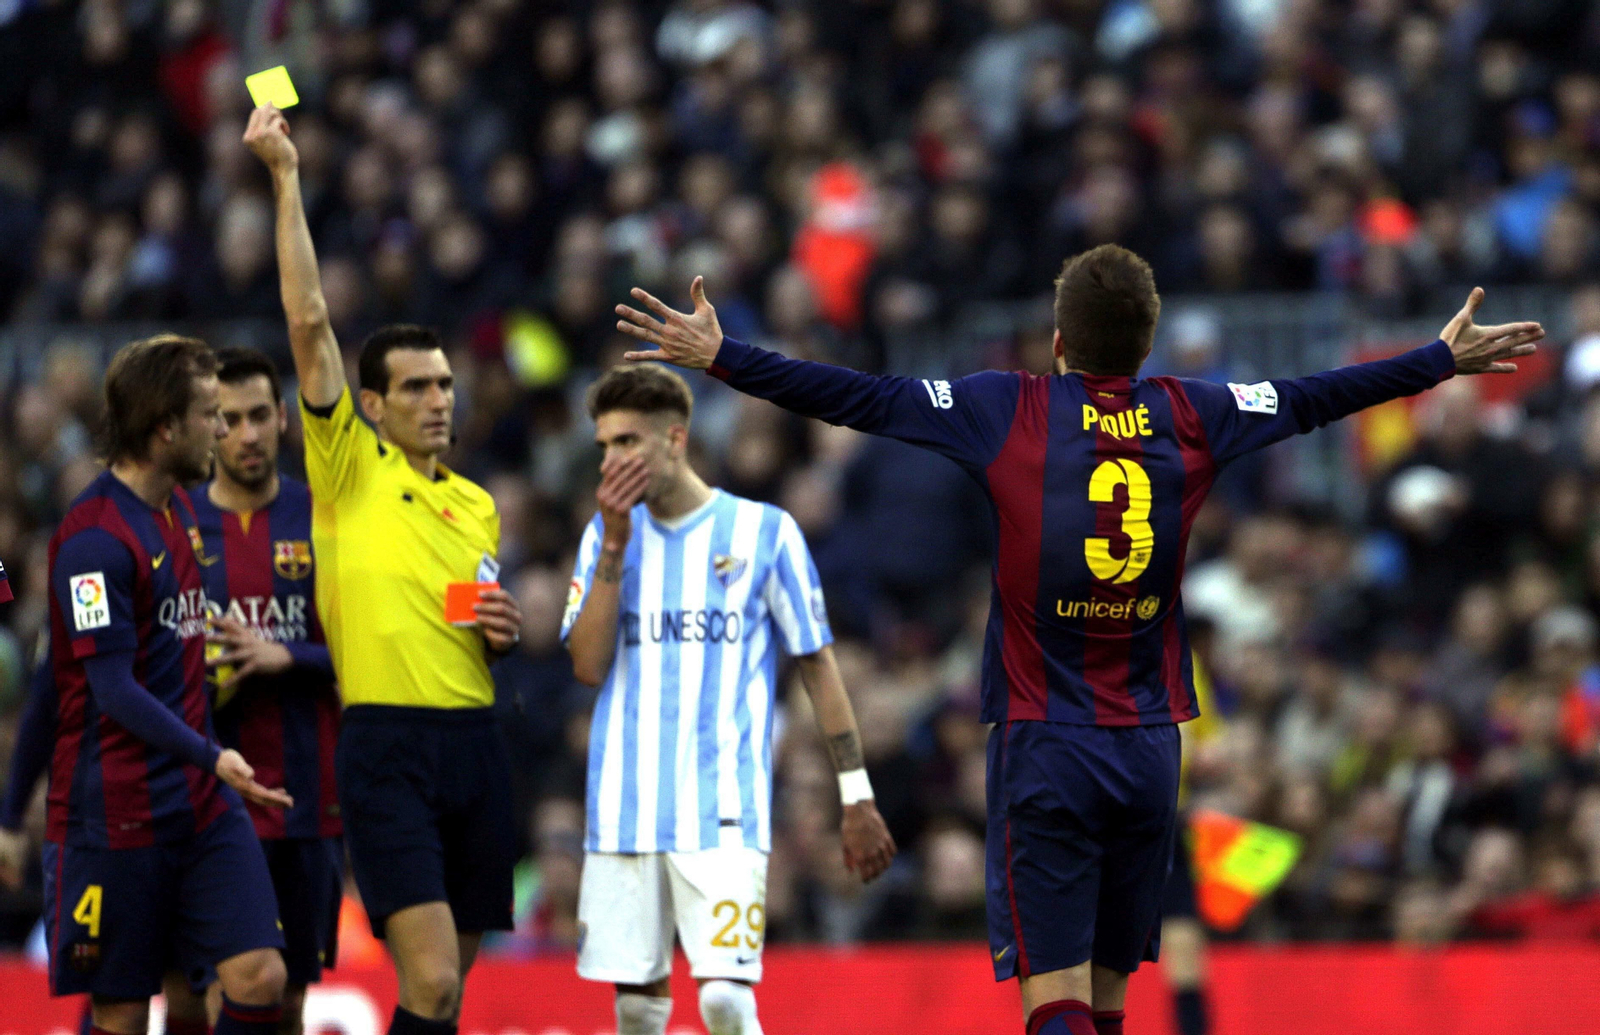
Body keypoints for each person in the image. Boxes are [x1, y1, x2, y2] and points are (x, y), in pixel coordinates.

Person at [612, 246, 1543, 1035]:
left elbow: (861, 396)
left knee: (1052, 1001)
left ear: (1057, 341)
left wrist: (726, 356)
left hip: (1045, 741)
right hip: (1148, 749)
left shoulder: (1005, 409)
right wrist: (1432, 361)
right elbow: (1311, 397)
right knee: (1104, 1005)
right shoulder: (1192, 413)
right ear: (1146, 342)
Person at [243, 104, 523, 1035]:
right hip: (386, 747)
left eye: (445, 383)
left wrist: (502, 629)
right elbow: (310, 320)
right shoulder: (350, 471)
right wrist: (286, 178)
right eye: (416, 386)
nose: (438, 399)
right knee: (434, 980)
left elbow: (459, 610)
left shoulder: (478, 503)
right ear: (372, 402)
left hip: (477, 742)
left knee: (447, 992)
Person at [563, 364, 896, 1035]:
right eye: (603, 446)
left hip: (724, 808)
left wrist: (855, 792)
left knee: (724, 998)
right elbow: (587, 666)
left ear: (675, 438)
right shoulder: (604, 536)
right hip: (624, 806)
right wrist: (615, 548)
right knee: (636, 1008)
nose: (612, 460)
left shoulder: (763, 533)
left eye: (627, 441)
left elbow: (819, 663)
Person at [43, 334, 294, 1035]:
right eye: (211, 413)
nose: (221, 428)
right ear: (165, 427)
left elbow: (167, 628)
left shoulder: (178, 510)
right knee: (122, 1012)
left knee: (261, 975)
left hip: (200, 806)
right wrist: (214, 755)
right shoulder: (91, 543)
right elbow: (111, 688)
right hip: (116, 815)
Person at [157, 347, 343, 1035]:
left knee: (288, 1000)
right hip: (203, 803)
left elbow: (367, 653)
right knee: (206, 996)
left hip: (304, 799)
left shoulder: (323, 517)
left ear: (285, 418)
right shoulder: (172, 523)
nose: (247, 434)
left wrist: (285, 654)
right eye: (228, 418)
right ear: (207, 426)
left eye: (260, 415)